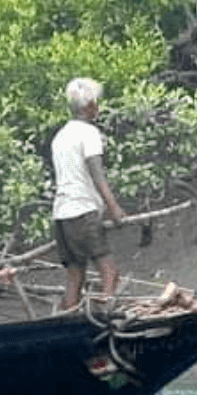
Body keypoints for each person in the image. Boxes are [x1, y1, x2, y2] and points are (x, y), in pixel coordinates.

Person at [49, 77, 128, 311]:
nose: (98, 107)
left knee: (75, 278)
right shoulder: (88, 132)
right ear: (88, 106)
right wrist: (114, 208)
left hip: (61, 215)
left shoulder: (60, 136)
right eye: (96, 102)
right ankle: (106, 320)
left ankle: (65, 325)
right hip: (82, 211)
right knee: (110, 273)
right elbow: (97, 175)